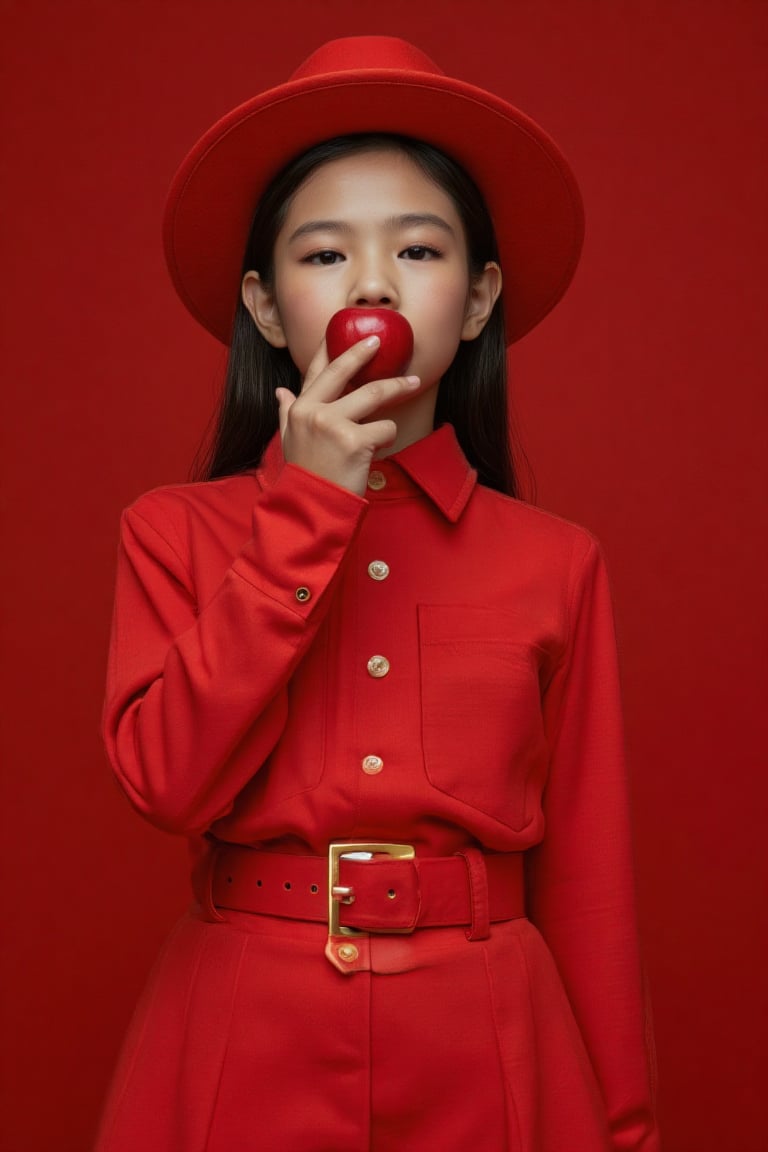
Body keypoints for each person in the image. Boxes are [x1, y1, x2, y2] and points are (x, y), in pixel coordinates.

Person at [97, 35, 660, 1152]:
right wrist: (305, 517)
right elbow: (166, 781)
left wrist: (625, 1129)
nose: (370, 286)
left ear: (480, 294)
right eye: (321, 256)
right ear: (263, 308)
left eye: (416, 248)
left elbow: (592, 885)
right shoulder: (172, 531)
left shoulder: (559, 561)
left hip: (492, 1048)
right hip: (238, 1044)